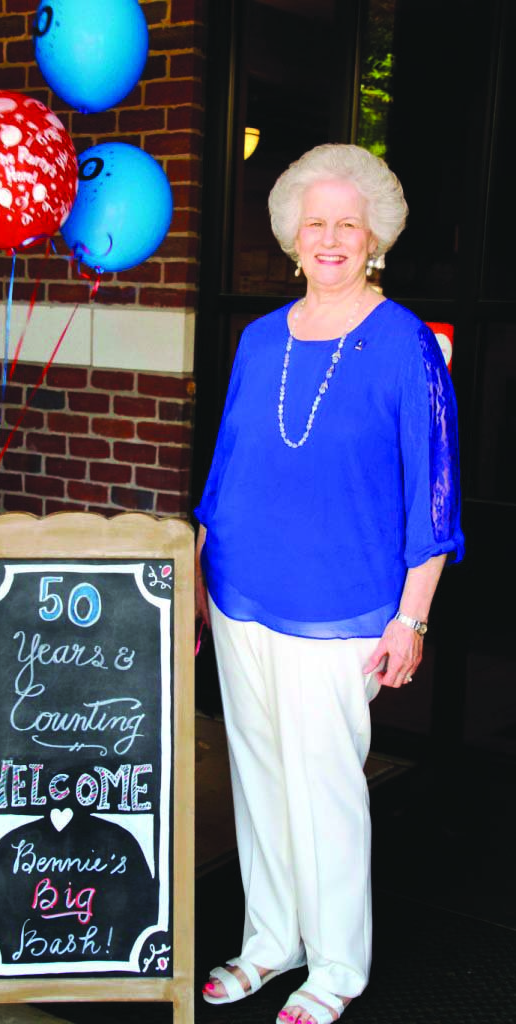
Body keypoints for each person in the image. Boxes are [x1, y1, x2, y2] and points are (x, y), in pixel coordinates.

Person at [194, 143, 464, 1024]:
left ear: (376, 234)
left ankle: (337, 966)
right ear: (292, 236)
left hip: (342, 609)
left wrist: (412, 622)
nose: (332, 237)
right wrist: (197, 584)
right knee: (260, 780)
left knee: (328, 791)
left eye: (350, 222)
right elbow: (226, 472)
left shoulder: (406, 344)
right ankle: (271, 943)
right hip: (241, 595)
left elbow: (434, 494)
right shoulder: (259, 338)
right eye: (316, 222)